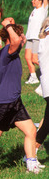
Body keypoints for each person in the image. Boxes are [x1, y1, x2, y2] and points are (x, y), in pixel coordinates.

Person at [0, 18, 41, 174]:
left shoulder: (13, 51)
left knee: (30, 131)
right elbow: (16, 40)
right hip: (4, 102)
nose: (21, 37)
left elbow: (21, 39)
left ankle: (31, 164)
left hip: (15, 101)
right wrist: (8, 25)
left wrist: (14, 26)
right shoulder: (7, 51)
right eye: (17, 34)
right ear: (9, 36)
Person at [24, 0, 48, 85]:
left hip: (36, 37)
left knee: (35, 59)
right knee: (27, 57)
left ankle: (46, 72)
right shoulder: (35, 9)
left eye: (34, 0)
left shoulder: (43, 9)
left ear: (39, 1)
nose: (32, 1)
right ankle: (33, 78)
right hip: (29, 37)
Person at [36, 18, 49, 153]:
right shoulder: (45, 42)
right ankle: (32, 152)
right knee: (47, 123)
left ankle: (32, 152)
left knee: (47, 122)